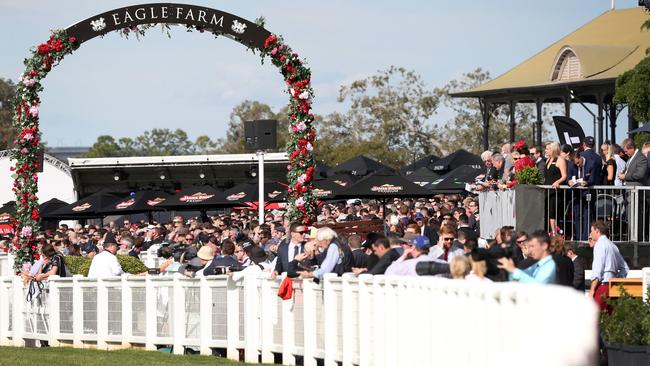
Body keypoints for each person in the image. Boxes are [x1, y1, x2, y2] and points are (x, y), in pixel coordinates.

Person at [589, 220, 628, 311]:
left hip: (603, 287)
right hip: (613, 287)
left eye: (591, 231)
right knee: (610, 321)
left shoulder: (599, 244)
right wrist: (616, 278)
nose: (591, 234)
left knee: (595, 319)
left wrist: (592, 290)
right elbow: (625, 268)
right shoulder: (613, 246)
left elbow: (598, 270)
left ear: (597, 231)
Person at [544, 142, 567, 236]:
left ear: (553, 149)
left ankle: (555, 233)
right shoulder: (548, 160)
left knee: (553, 213)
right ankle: (551, 232)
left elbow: (564, 176)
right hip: (547, 191)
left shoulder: (560, 160)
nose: (546, 150)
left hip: (556, 191)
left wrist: (558, 182)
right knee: (548, 212)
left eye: (547, 149)